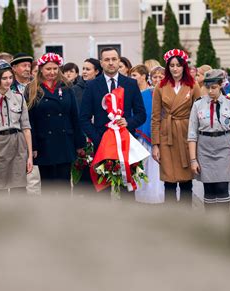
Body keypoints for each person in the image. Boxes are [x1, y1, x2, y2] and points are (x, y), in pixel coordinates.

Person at [26, 53, 85, 192]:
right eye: (48, 69)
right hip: (44, 142)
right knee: (47, 185)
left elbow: (74, 116)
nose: (52, 72)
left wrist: (80, 143)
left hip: (65, 141)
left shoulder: (67, 87)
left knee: (64, 183)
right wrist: (32, 146)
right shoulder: (33, 89)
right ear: (41, 69)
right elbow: (30, 120)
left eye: (55, 68)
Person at [151, 49, 201, 204]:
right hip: (168, 136)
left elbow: (199, 115)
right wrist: (155, 144)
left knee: (187, 181)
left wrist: (198, 141)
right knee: (169, 180)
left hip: (187, 134)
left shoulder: (193, 85)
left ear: (184, 67)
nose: (175, 68)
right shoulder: (161, 86)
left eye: (178, 65)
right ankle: (170, 218)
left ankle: (186, 217)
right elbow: (155, 117)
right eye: (171, 65)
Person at [0, 60, 33, 196]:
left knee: (19, 190)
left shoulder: (19, 98)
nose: (8, 81)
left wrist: (29, 156)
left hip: (17, 145)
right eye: (4, 78)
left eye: (10, 77)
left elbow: (26, 128)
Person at [188, 70, 230, 210]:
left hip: (224, 147)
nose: (210, 91)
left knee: (223, 187)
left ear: (221, 85)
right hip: (204, 148)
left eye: (214, 88)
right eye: (208, 87)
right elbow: (192, 134)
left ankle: (223, 223)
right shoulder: (198, 104)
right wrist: (193, 160)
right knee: (209, 189)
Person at [80, 47, 146, 151]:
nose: (111, 63)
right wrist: (98, 139)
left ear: (119, 61)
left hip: (127, 142)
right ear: (101, 63)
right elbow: (84, 118)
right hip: (102, 145)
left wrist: (128, 122)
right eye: (107, 60)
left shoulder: (131, 84)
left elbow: (141, 114)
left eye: (114, 59)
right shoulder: (91, 86)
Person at [130, 64, 164, 204]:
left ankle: (161, 195)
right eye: (155, 77)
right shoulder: (144, 94)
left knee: (160, 171)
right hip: (145, 138)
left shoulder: (169, 94)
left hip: (164, 137)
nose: (157, 79)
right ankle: (145, 197)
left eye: (161, 77)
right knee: (147, 169)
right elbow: (139, 113)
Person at [10, 53, 41, 196]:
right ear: (14, 68)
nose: (27, 69)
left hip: (34, 134)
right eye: (24, 66)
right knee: (16, 178)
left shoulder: (37, 87)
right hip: (14, 136)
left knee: (34, 178)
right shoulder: (8, 87)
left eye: (29, 66)